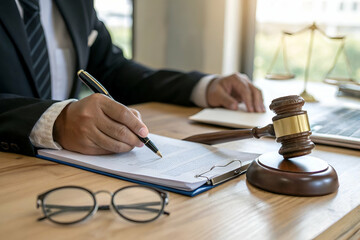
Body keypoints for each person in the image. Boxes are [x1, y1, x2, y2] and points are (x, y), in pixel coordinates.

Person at [0, 0, 264, 156]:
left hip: (70, 173)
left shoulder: (75, 4)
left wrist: (203, 87)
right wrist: (55, 120)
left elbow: (114, 70)